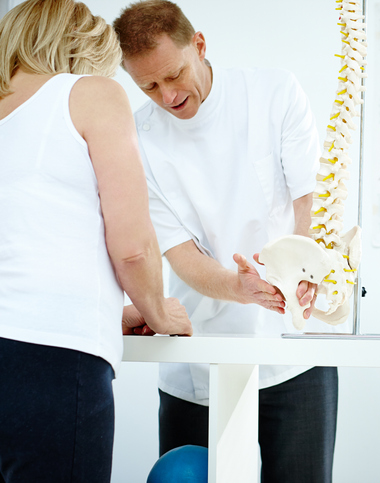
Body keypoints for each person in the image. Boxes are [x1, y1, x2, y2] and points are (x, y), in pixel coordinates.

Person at [113, 2, 337, 482]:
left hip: (294, 352)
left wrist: (302, 268)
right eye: (149, 86)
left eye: (174, 75)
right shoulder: (137, 138)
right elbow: (180, 254)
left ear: (200, 44)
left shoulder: (273, 93)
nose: (168, 95)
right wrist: (239, 288)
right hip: (196, 362)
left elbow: (308, 203)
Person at [0, 1, 193, 482]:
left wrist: (110, 310)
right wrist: (156, 310)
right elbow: (132, 245)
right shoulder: (91, 94)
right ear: (83, 50)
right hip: (48, 359)